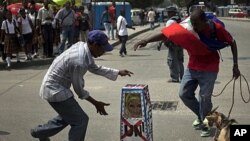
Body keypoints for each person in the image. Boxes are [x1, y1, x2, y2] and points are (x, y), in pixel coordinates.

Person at [134, 9, 240, 137]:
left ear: (204, 21)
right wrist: (146, 41)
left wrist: (235, 65)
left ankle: (206, 124)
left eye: (197, 25)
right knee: (184, 94)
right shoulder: (188, 26)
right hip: (192, 66)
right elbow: (168, 34)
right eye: (193, 24)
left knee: (204, 98)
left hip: (209, 68)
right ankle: (203, 117)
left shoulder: (216, 28)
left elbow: (232, 42)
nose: (194, 27)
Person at [30, 30, 133, 141]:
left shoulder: (82, 46)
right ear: (94, 45)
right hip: (55, 90)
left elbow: (94, 67)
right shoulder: (79, 61)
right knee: (80, 121)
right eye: (102, 49)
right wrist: (96, 103)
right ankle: (39, 132)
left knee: (69, 117)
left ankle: (39, 132)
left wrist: (117, 72)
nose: (103, 52)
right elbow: (79, 89)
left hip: (54, 87)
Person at [158, 6, 184, 83]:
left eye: (169, 12)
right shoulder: (179, 20)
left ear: (172, 13)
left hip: (173, 44)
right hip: (180, 43)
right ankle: (183, 77)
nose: (168, 14)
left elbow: (166, 34)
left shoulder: (170, 21)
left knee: (172, 61)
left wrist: (160, 42)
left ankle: (175, 78)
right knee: (179, 61)